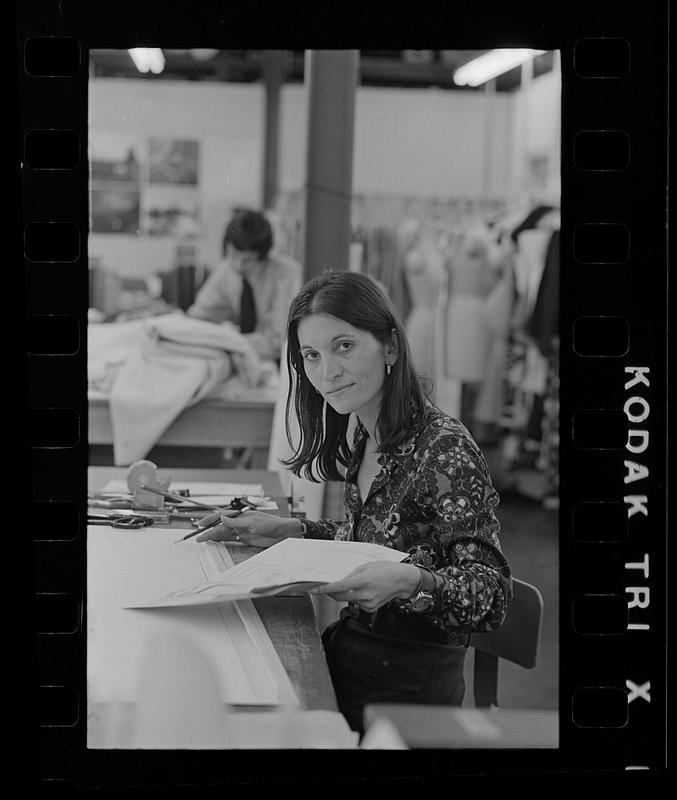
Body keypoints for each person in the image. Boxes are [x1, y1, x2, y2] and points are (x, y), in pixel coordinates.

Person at [196, 270, 512, 735]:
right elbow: (377, 538)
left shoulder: (445, 450)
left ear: (390, 347)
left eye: (344, 346)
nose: (328, 371)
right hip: (357, 655)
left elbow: (492, 595)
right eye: (311, 355)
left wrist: (410, 583)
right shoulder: (367, 429)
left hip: (409, 691)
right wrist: (292, 529)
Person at [187, 209, 302, 361]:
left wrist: (230, 343)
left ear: (263, 256)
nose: (238, 265)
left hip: (278, 363)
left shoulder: (287, 274)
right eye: (232, 255)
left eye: (247, 260)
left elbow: (279, 339)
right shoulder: (227, 269)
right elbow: (198, 315)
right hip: (240, 356)